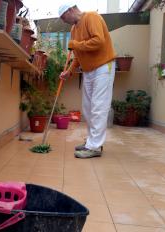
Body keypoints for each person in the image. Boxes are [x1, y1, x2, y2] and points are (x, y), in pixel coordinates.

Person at [58, 4, 116, 158]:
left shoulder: (91, 17)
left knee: (99, 106)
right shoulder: (73, 29)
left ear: (70, 10)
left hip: (104, 66)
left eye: (64, 18)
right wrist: (69, 72)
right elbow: (77, 55)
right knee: (88, 108)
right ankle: (92, 141)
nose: (64, 21)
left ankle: (95, 147)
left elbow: (98, 41)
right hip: (89, 71)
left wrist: (75, 45)